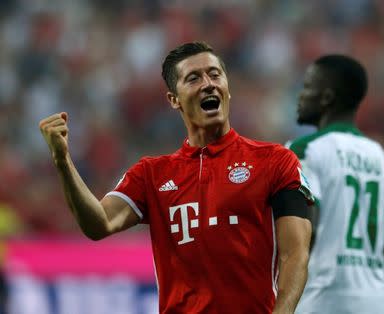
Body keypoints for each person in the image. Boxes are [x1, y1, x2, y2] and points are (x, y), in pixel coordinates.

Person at [39, 42, 314, 314]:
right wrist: (63, 162)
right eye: (193, 78)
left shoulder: (275, 161)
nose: (208, 83)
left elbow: (296, 254)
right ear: (174, 99)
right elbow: (98, 223)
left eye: (215, 74)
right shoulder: (151, 174)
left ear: (228, 88)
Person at [287, 55, 384, 314]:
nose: (301, 95)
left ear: (327, 98)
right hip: (373, 301)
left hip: (321, 298)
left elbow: (306, 231)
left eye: (307, 87)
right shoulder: (381, 158)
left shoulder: (305, 150)